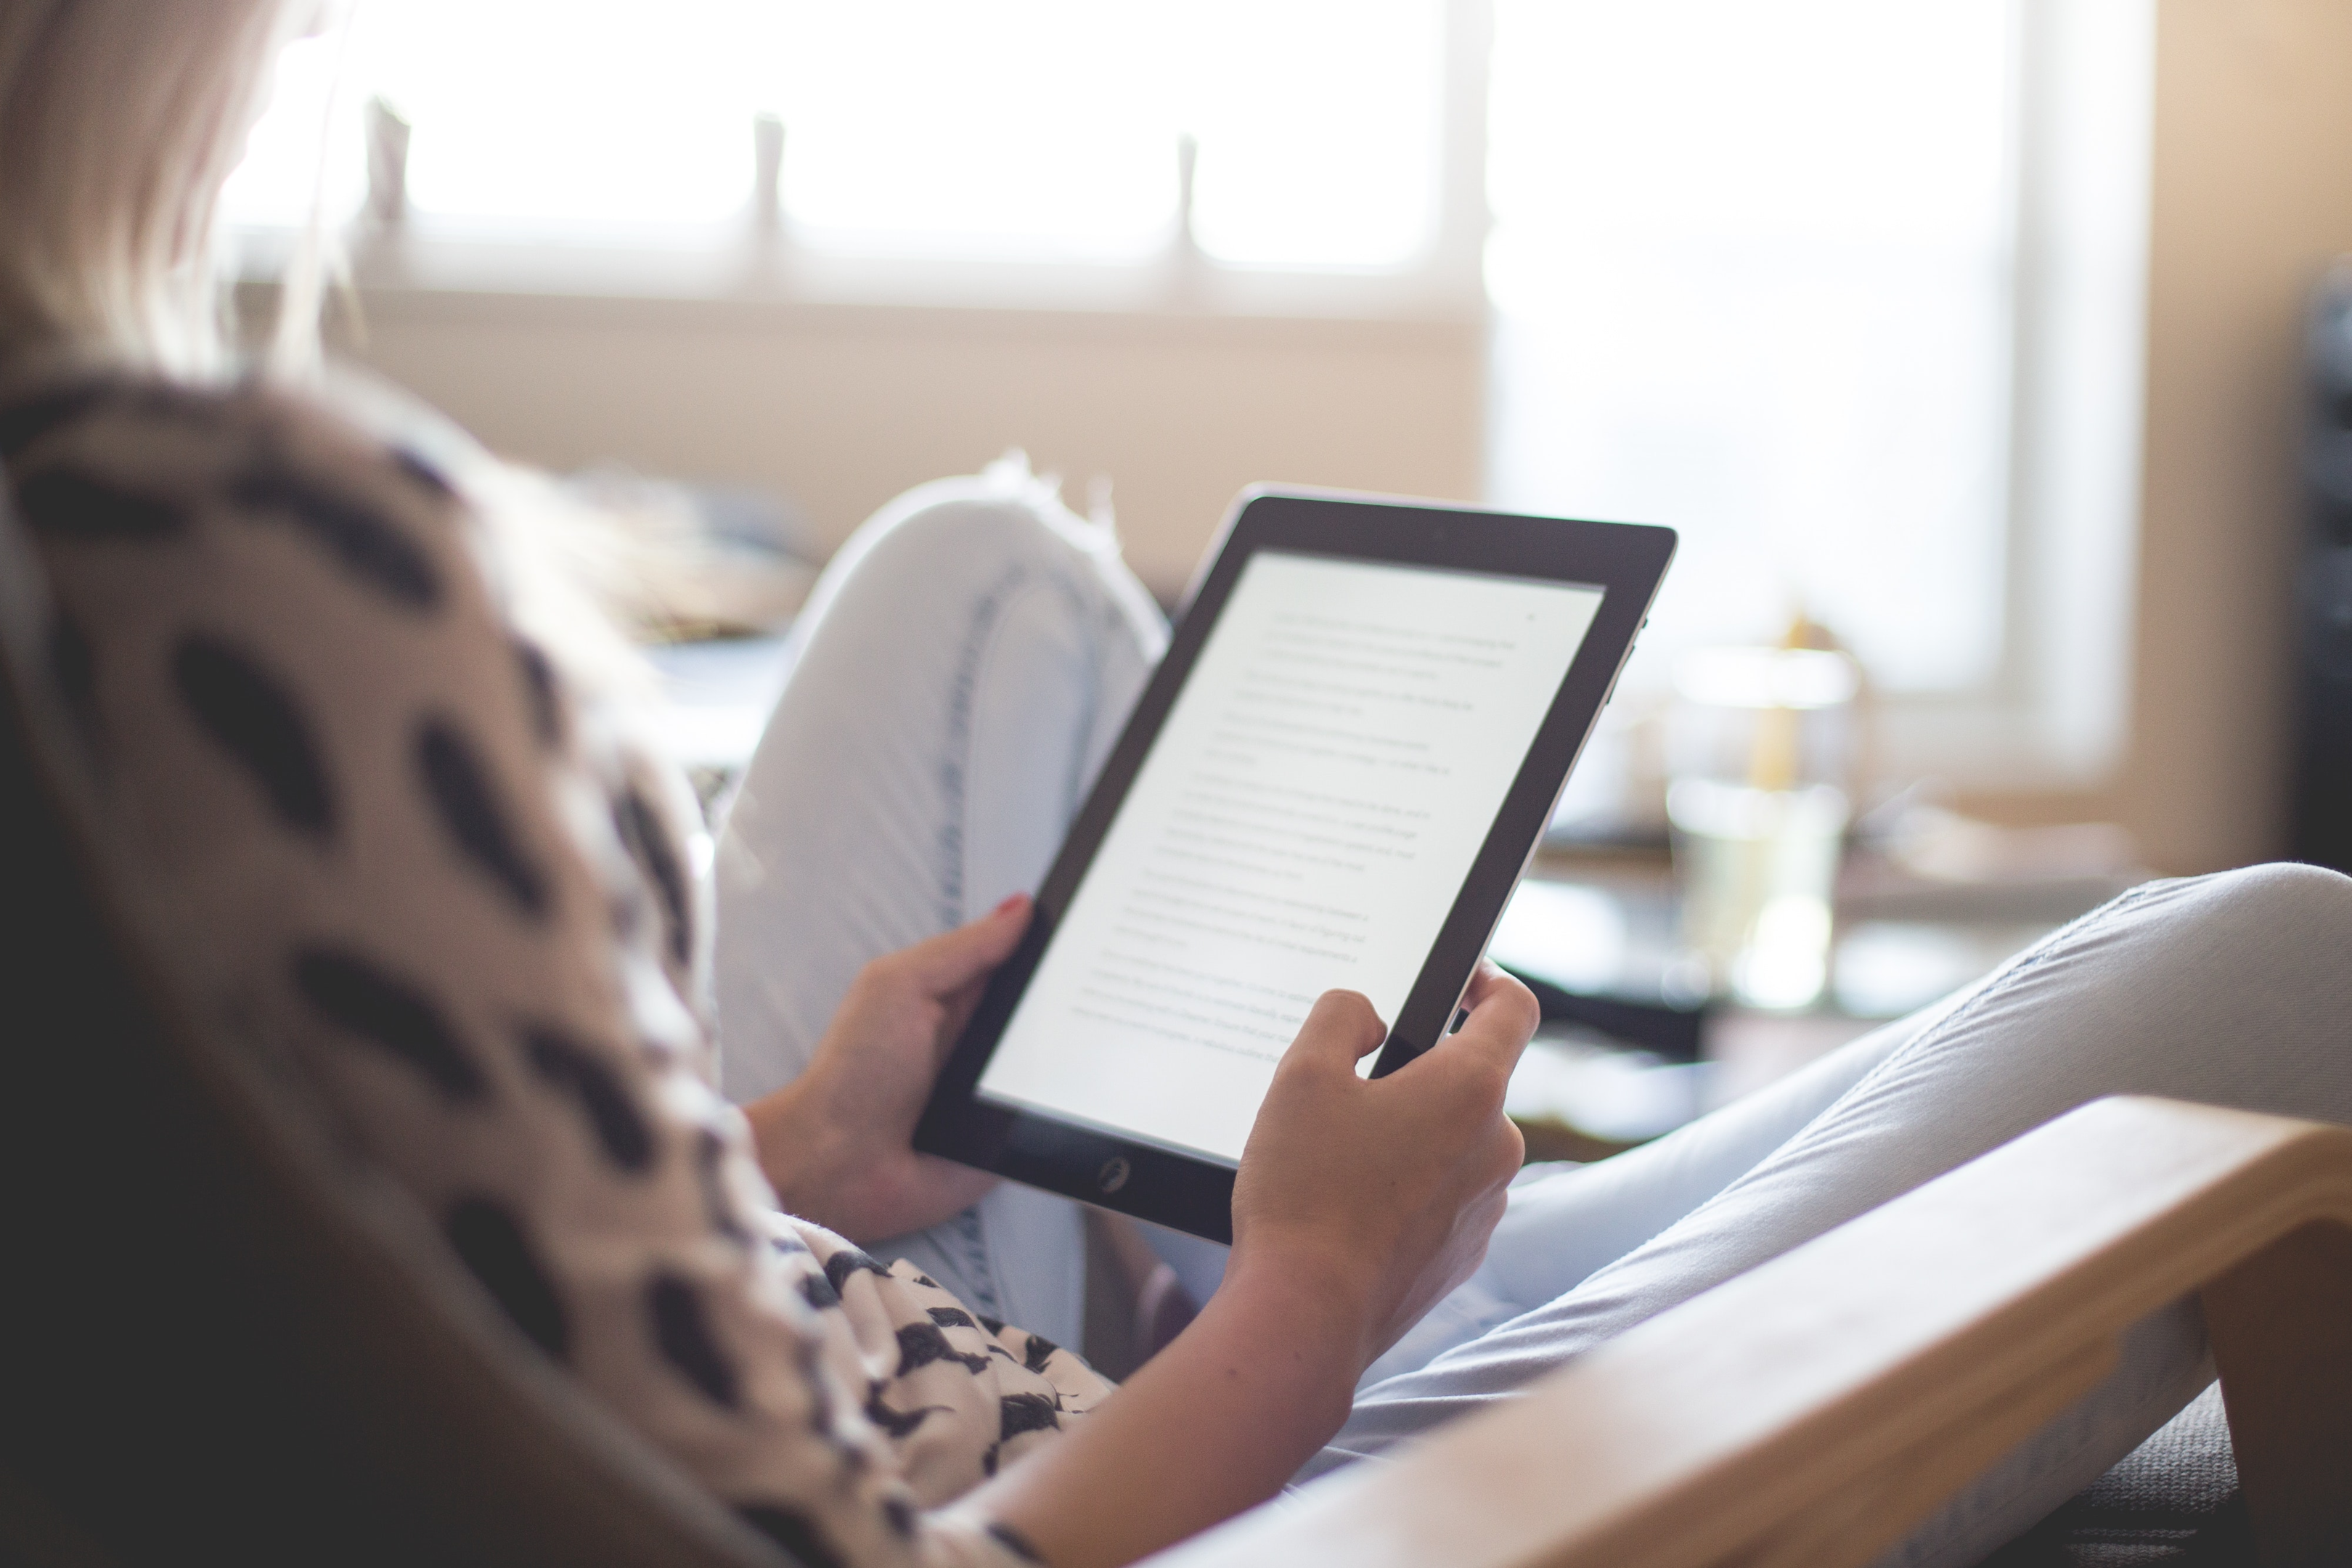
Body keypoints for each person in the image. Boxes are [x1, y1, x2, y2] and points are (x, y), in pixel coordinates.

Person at [1, 4, 2347, 1567]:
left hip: (868, 1295)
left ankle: (1269, 1232)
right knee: (2283, 963)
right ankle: (1340, 1266)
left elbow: (437, 1260)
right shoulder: (216, 559)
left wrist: (807, 1148)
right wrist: (1300, 1310)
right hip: (1208, 1495)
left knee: (989, 573)